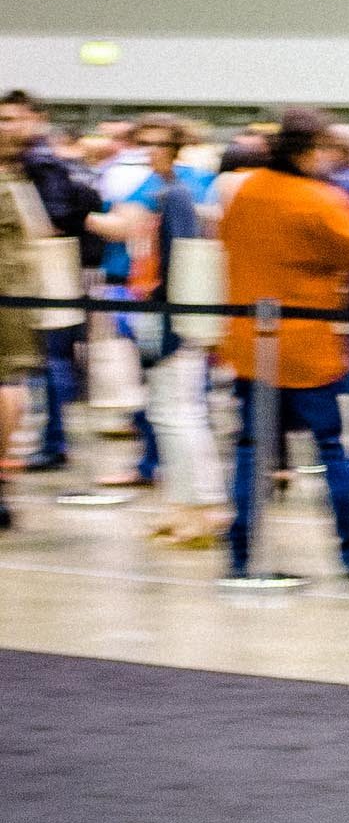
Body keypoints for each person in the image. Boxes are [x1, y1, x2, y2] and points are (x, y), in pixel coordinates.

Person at [218, 108, 349, 579]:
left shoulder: (245, 190)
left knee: (252, 452)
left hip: (250, 343)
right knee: (330, 448)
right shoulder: (317, 198)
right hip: (306, 347)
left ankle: (240, 554)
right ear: (309, 151)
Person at [113, 115, 225, 547]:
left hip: (170, 315)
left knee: (182, 414)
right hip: (152, 309)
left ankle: (203, 508)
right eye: (146, 142)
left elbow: (185, 259)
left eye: (160, 143)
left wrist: (178, 324)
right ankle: (180, 505)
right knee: (165, 414)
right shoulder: (161, 191)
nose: (151, 150)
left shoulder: (179, 193)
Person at [0, 89, 101, 472]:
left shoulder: (40, 163)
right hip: (29, 284)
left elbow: (59, 217)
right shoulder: (26, 164)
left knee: (39, 369)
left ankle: (51, 442)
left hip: (28, 286)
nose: (6, 127)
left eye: (13, 118)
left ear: (34, 118)